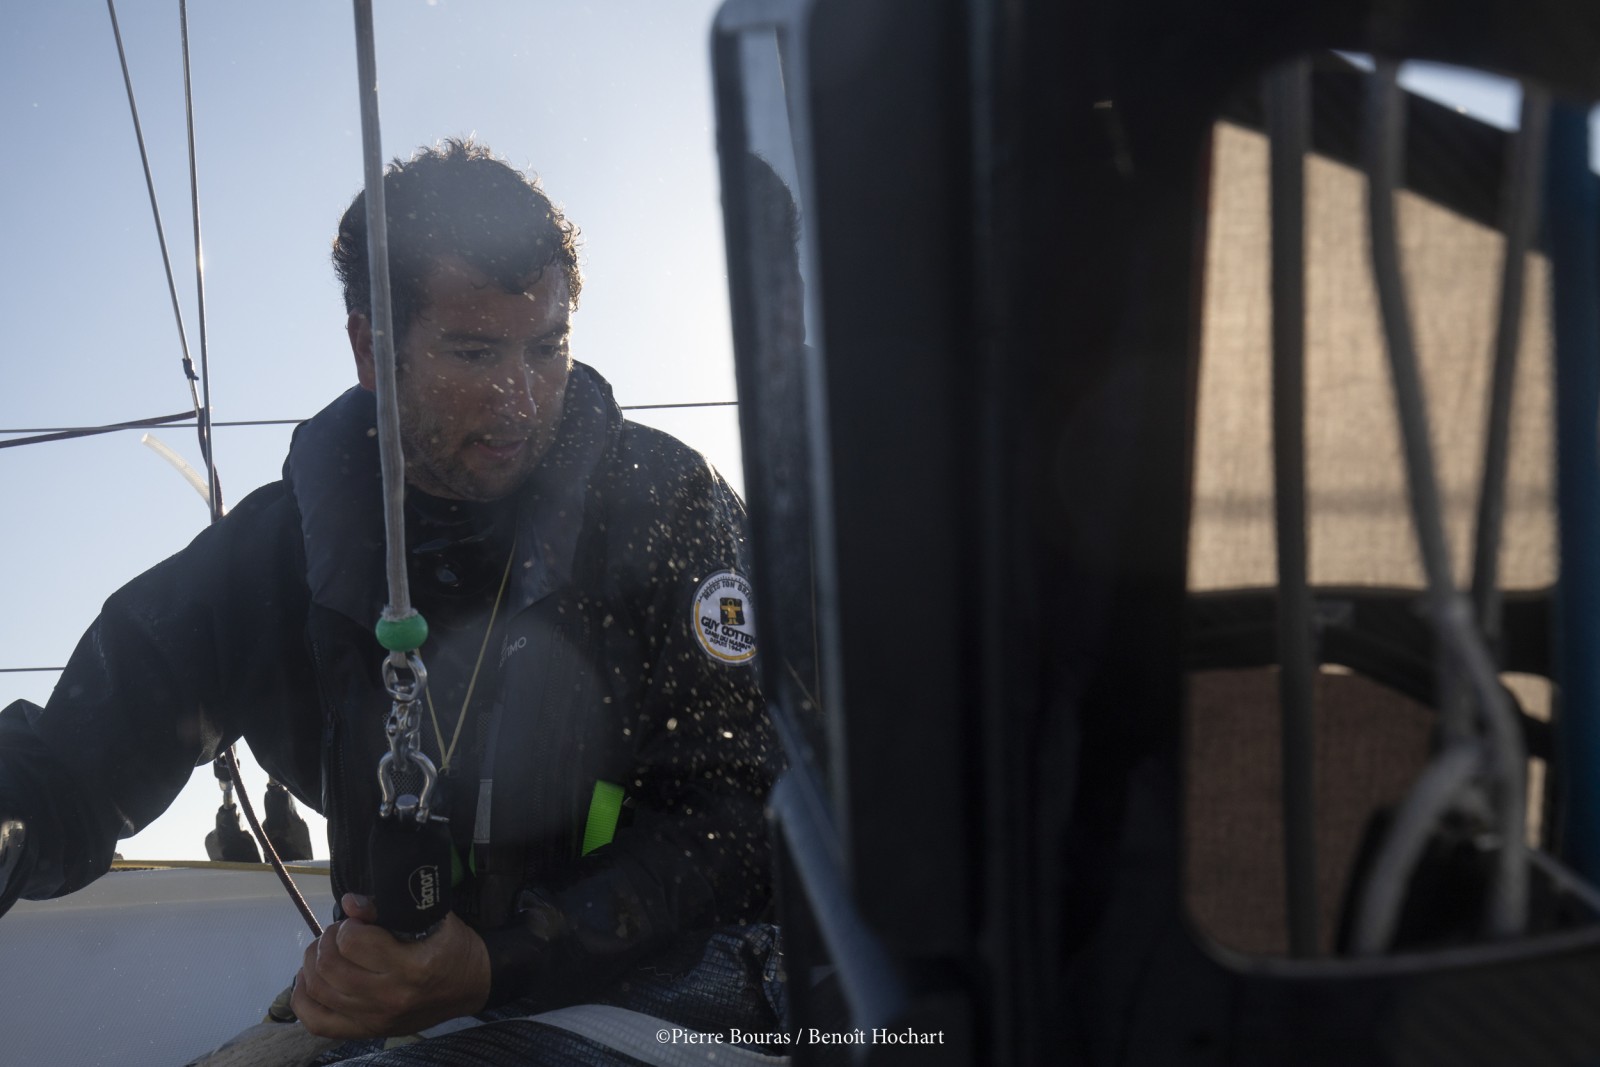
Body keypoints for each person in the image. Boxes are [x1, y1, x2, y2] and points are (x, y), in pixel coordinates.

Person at [0, 139, 781, 1061]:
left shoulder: (668, 506)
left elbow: (748, 812)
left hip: (681, 993)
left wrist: (501, 961)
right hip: (423, 1005)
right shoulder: (284, 551)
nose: (521, 399)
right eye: (475, 351)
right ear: (372, 349)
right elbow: (76, 763)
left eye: (547, 347)